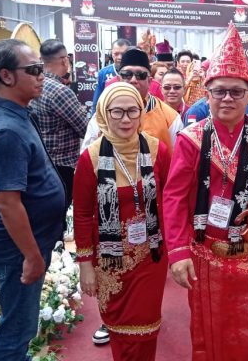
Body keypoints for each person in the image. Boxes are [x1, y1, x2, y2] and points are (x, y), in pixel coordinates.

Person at [163, 23, 248, 361]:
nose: (227, 98)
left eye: (236, 92)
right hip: (207, 251)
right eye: (219, 91)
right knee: (213, 333)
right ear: (206, 94)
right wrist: (178, 252)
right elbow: (174, 197)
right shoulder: (190, 139)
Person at [0, 39, 66, 360]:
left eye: (41, 69)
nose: (41, 76)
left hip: (27, 243)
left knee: (22, 324)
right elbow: (7, 202)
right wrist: (31, 256)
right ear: (6, 76)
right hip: (18, 248)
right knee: (17, 329)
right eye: (33, 70)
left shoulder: (16, 114)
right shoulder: (6, 129)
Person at [82, 47, 183, 343]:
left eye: (141, 75)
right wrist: (85, 263)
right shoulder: (92, 150)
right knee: (117, 313)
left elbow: (173, 187)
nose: (125, 120)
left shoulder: (168, 120)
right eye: (127, 74)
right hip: (110, 247)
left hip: (150, 241)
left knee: (146, 322)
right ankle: (111, 320)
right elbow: (86, 207)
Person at [74, 82, 170, 360]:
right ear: (104, 113)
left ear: (142, 113)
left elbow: (173, 200)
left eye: (132, 111)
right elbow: (81, 214)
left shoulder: (157, 151)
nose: (126, 119)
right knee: (120, 328)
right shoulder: (90, 158)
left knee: (147, 328)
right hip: (110, 261)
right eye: (117, 112)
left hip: (151, 257)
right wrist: (86, 266)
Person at [82, 48, 184, 153]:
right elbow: (88, 156)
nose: (133, 80)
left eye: (141, 75)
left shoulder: (170, 118)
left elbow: (176, 163)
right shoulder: (102, 114)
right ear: (118, 79)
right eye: (127, 74)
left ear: (149, 81)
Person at [31, 39, 89, 212]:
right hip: (61, 167)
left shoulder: (34, 85)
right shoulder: (60, 91)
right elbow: (85, 128)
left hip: (40, 162)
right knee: (60, 215)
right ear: (65, 61)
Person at [93, 39, 132, 113]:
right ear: (111, 53)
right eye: (116, 54)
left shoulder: (137, 73)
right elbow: (97, 102)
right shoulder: (103, 73)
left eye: (123, 54)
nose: (120, 57)